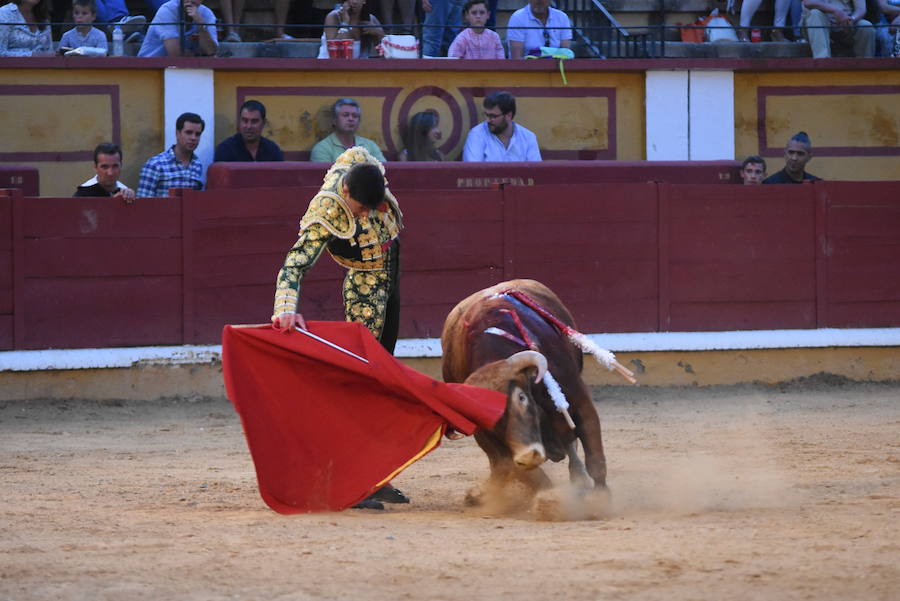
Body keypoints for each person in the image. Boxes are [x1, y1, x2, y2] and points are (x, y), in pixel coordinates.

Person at [271, 146, 407, 510]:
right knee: (358, 386)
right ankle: (347, 480)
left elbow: (358, 155)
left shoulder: (360, 162)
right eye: (362, 208)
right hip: (364, 288)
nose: (366, 214)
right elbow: (294, 264)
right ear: (347, 193)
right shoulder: (328, 208)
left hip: (391, 275)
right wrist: (285, 309)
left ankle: (375, 477)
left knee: (380, 385)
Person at [137, 112, 206, 198]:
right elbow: (143, 203)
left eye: (197, 134)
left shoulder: (197, 165)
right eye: (188, 132)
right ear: (177, 133)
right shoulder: (155, 164)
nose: (193, 138)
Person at [462, 90, 542, 162]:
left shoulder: (528, 137)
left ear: (508, 116)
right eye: (487, 115)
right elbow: (472, 172)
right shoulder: (477, 134)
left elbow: (536, 172)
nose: (489, 120)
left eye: (493, 116)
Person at [310, 98, 386, 163]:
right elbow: (325, 177)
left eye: (355, 116)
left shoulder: (370, 145)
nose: (351, 119)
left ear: (359, 121)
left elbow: (384, 171)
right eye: (345, 115)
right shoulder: (322, 148)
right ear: (334, 120)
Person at [138, 0, 218, 57]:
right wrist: (199, 57)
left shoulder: (207, 14)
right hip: (149, 67)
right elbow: (175, 54)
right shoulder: (167, 10)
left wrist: (201, 25)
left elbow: (210, 51)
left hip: (185, 70)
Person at [214, 100, 285, 162]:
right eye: (244, 120)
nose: (248, 126)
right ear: (239, 121)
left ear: (263, 123)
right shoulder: (225, 150)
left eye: (254, 121)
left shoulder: (272, 150)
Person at [801, 0, 875, 57]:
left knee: (866, 26)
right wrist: (836, 10)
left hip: (845, 24)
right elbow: (808, 2)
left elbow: (861, 9)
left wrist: (851, 19)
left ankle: (865, 65)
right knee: (815, 13)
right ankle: (823, 61)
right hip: (817, 24)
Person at [317, 0, 385, 58]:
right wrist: (345, 23)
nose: (354, 2)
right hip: (330, 66)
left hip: (357, 69)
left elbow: (384, 53)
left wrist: (378, 32)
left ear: (364, 1)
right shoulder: (333, 17)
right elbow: (335, 51)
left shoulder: (371, 20)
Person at [506, 0, 571, 59]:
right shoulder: (517, 18)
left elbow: (565, 53)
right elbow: (516, 58)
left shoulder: (562, 17)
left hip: (557, 67)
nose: (539, 1)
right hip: (526, 68)